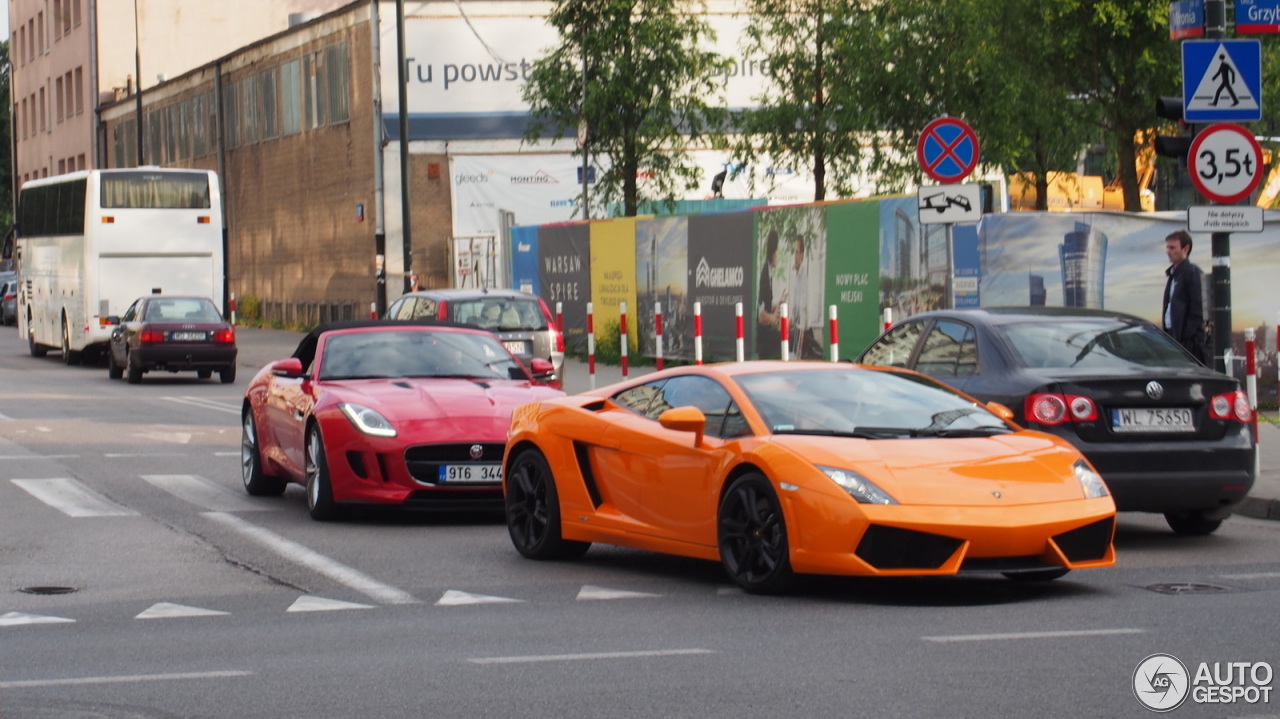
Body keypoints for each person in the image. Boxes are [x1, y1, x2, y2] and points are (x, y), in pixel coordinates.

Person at [1161, 230, 1210, 365]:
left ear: (1185, 249)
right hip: (1173, 337)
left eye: (1172, 248)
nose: (1168, 251)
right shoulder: (1173, 275)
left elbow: (1198, 309)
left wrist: (1185, 338)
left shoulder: (1192, 273)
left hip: (1188, 343)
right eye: (1167, 247)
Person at [756, 230, 783, 359]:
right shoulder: (765, 276)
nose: (778, 255)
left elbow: (765, 304)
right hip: (764, 340)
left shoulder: (769, 273)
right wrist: (775, 318)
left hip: (766, 337)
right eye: (777, 252)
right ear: (773, 253)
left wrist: (777, 303)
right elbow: (761, 315)